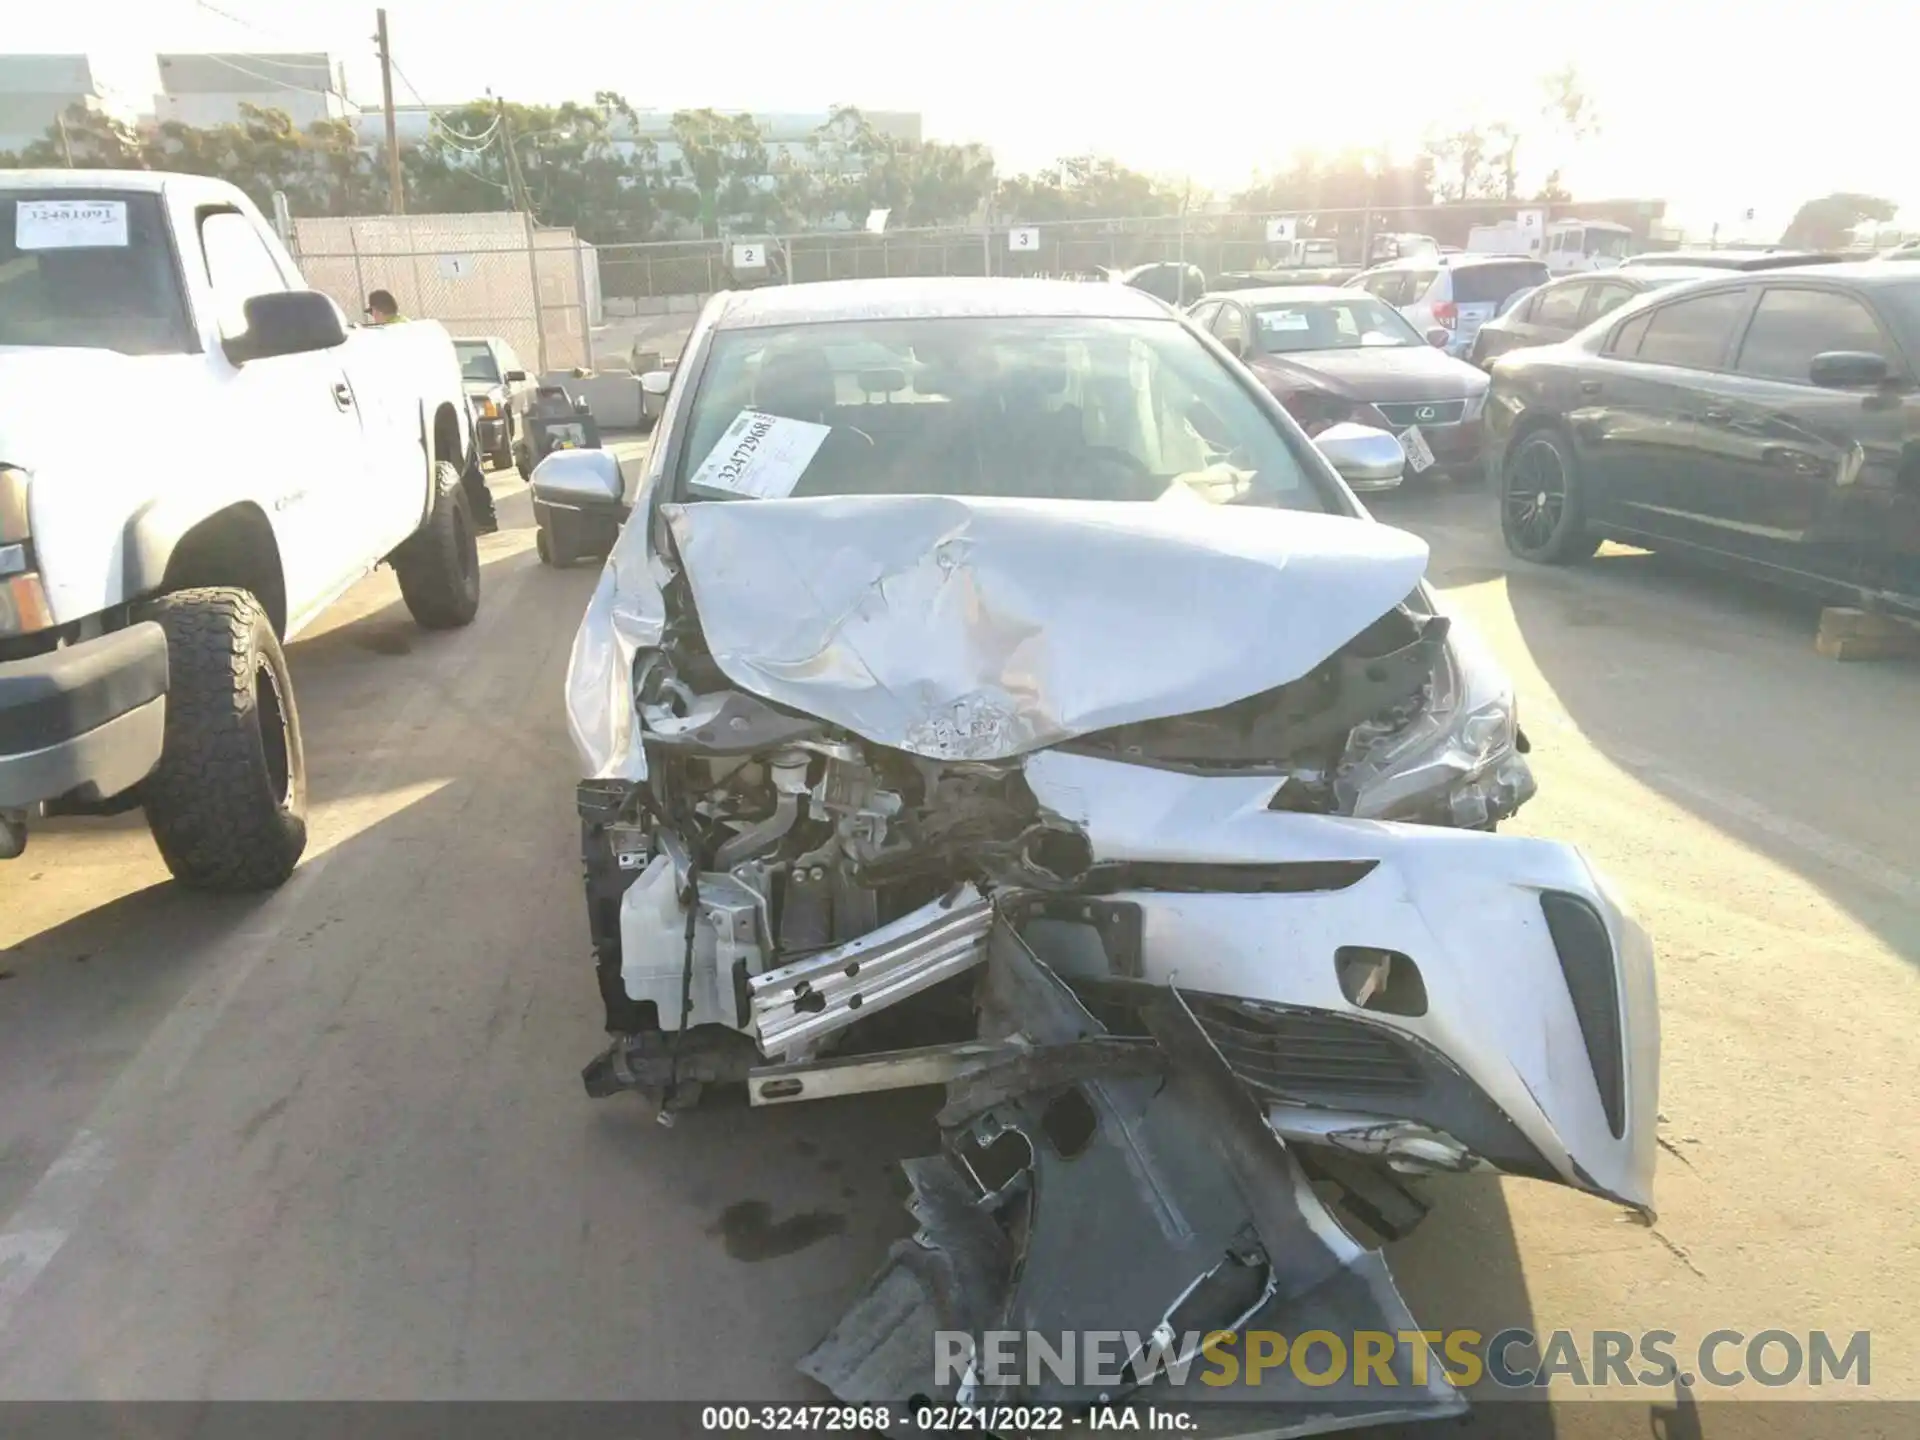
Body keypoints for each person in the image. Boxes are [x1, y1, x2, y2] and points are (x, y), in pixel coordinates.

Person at [362, 290, 498, 533]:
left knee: (462, 467)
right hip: (446, 400)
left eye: (372, 312)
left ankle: (483, 519)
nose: (372, 318)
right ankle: (484, 518)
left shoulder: (391, 336)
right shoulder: (411, 329)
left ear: (378, 311)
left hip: (435, 406)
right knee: (466, 463)